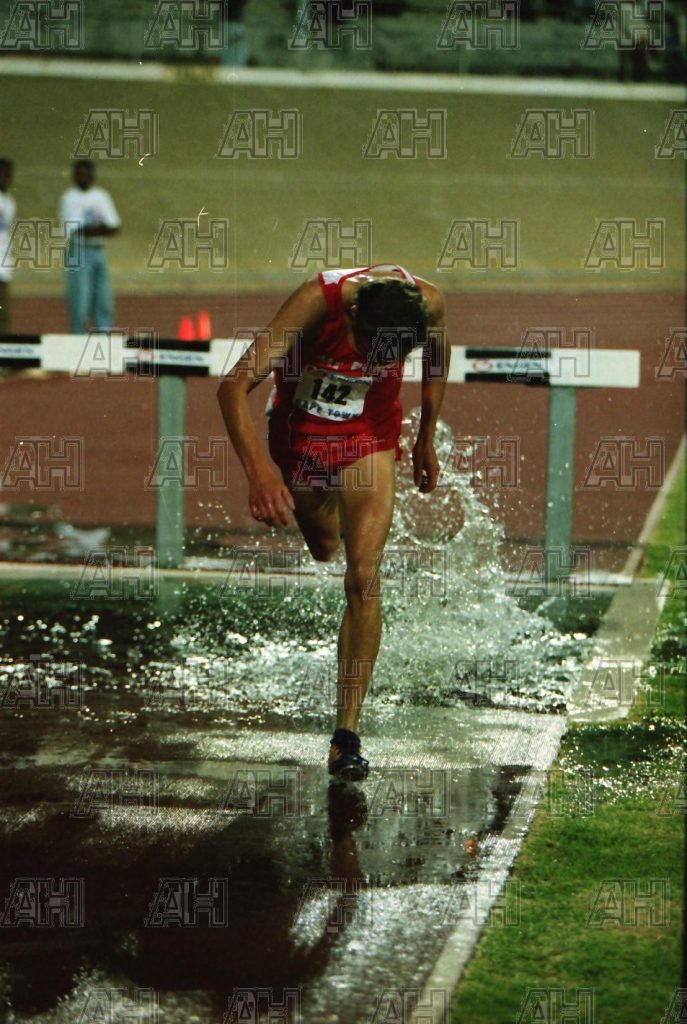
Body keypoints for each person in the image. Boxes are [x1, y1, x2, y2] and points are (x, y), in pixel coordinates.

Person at [217, 263, 450, 781]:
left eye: (387, 360)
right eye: (368, 351)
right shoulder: (315, 301)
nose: (372, 364)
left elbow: (438, 356)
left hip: (370, 433)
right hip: (300, 431)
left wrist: (425, 436)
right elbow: (232, 387)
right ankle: (339, 510)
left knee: (363, 576)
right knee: (324, 548)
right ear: (352, 316)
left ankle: (346, 736)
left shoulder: (427, 303)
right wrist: (260, 473)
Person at [58, 159, 120, 334]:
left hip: (97, 250)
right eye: (80, 175)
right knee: (80, 299)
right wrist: (101, 229)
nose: (83, 178)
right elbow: (77, 230)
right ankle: (79, 336)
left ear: (93, 176)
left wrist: (95, 230)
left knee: (103, 297)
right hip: (77, 250)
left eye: (87, 174)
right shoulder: (69, 198)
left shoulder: (101, 196)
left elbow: (115, 226)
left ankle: (103, 336)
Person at [0, 158, 16, 334]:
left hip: (3, 265)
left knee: (3, 314)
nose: (5, 177)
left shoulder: (10, 202)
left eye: (7, 174)